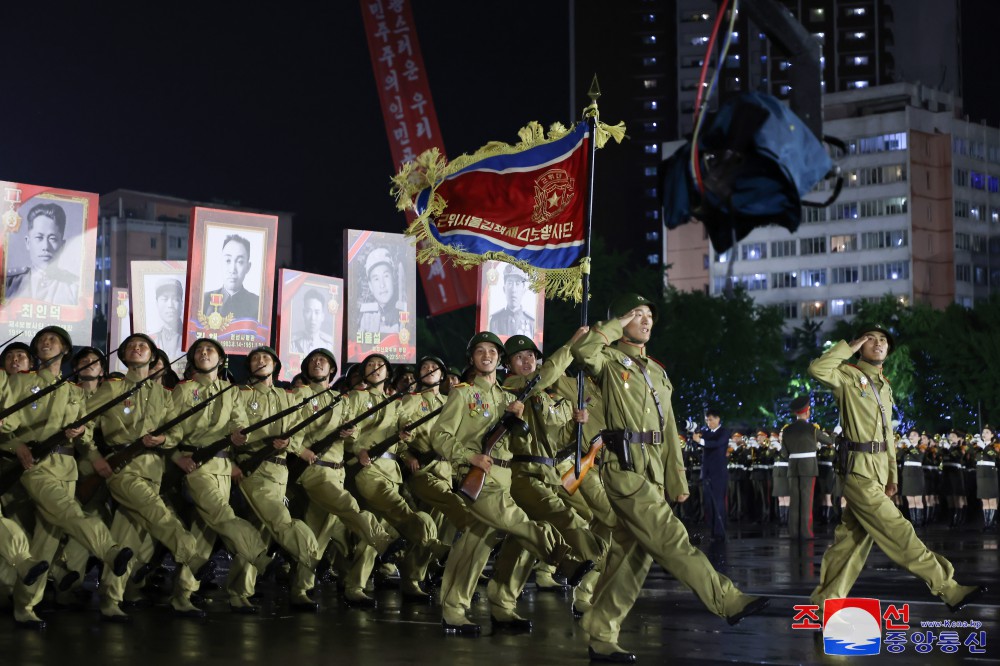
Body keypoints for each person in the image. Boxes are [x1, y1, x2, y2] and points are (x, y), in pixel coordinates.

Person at [573, 293, 768, 662]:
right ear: (620, 320)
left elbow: (668, 427)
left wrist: (676, 480)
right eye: (636, 314)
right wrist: (611, 326)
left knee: (632, 558)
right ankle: (726, 600)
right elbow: (583, 353)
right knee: (671, 538)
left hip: (654, 472)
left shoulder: (657, 372)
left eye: (649, 315)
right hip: (624, 469)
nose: (645, 320)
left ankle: (599, 633)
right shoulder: (610, 360)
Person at [807, 323, 986, 615]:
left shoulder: (885, 385)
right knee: (898, 530)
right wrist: (849, 346)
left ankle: (824, 604)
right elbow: (817, 369)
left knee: (851, 542)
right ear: (861, 345)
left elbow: (887, 434)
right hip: (857, 471)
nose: (878, 344)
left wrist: (892, 475)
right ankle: (948, 588)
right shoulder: (846, 375)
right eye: (871, 339)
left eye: (883, 341)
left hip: (877, 473)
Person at [434, 331, 594, 636]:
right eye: (480, 351)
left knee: (476, 545)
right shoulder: (464, 393)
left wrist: (521, 423)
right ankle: (563, 561)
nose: (486, 355)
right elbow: (439, 436)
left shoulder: (509, 398)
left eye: (491, 351)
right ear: (472, 359)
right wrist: (469, 457)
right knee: (520, 523)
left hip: (505, 479)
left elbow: (526, 444)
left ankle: (456, 608)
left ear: (497, 358)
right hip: (480, 481)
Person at [4, 326, 134, 629]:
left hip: (67, 468)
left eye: (54, 340)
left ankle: (25, 605)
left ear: (64, 350)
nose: (47, 343)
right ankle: (109, 550)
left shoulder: (74, 391)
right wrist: (16, 444)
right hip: (35, 466)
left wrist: (84, 441)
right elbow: (4, 423)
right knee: (68, 510)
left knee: (46, 542)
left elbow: (85, 437)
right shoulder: (21, 382)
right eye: (42, 341)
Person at [87, 333, 215, 622]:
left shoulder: (164, 395)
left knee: (128, 534)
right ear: (123, 356)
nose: (136, 348)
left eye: (142, 346)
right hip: (123, 468)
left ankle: (112, 597)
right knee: (158, 514)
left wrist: (167, 443)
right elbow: (83, 425)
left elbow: (174, 432)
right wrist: (95, 457)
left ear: (153, 357)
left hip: (154, 470)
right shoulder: (111, 388)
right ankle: (190, 556)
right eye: (131, 345)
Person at [163, 337, 278, 616]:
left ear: (221, 359)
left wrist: (241, 435)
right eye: (199, 350)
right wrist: (178, 457)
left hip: (223, 467)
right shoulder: (183, 390)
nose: (204, 353)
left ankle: (183, 595)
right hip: (196, 465)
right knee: (222, 514)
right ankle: (259, 555)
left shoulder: (231, 392)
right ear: (192, 360)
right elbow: (168, 430)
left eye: (210, 350)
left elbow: (238, 421)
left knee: (204, 533)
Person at [231, 346, 322, 612]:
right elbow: (235, 429)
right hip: (255, 469)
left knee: (259, 530)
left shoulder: (286, 396)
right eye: (256, 358)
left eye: (266, 358)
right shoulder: (240, 394)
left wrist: (291, 444)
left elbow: (297, 430)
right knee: (278, 519)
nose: (261, 361)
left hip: (281, 470)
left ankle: (240, 591)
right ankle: (312, 556)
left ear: (276, 365)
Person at [4, 202, 79, 305]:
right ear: (28, 243)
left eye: (52, 238)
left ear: (62, 246)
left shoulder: (75, 288)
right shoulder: (9, 284)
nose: (45, 247)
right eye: (39, 238)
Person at [782, 395, 832, 539]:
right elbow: (829, 440)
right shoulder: (812, 429)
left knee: (795, 501)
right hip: (808, 467)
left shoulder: (787, 430)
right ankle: (806, 532)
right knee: (806, 501)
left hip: (793, 467)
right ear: (807, 411)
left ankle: (794, 532)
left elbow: (784, 453)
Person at [201, 233, 260, 320]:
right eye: (228, 260)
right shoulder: (204, 300)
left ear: (248, 267)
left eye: (240, 262)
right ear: (220, 262)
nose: (232, 270)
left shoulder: (258, 304)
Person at [357, 247, 404, 336]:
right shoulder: (367, 317)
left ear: (393, 278)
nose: (382, 285)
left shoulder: (404, 313)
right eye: (376, 279)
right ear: (370, 286)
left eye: (386, 276)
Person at [699, 407, 730, 541]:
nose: (708, 423)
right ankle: (712, 531)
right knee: (708, 503)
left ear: (718, 419)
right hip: (707, 472)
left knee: (718, 502)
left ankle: (720, 532)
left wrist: (700, 440)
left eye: (711, 420)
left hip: (719, 472)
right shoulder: (705, 432)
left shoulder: (724, 432)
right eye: (707, 420)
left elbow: (716, 443)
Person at [488, 264, 535, 337]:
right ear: (504, 289)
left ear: (524, 290)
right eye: (510, 283)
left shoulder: (532, 322)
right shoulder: (495, 321)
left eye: (517, 283)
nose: (513, 290)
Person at [149, 278, 185, 362]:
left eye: (176, 299)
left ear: (182, 304)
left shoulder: (191, 338)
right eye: (165, 299)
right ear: (157, 303)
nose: (170, 305)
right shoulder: (151, 339)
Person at [291, 289, 334, 353]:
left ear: (322, 316)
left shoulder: (330, 345)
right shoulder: (292, 343)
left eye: (317, 312)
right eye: (308, 311)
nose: (312, 318)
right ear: (303, 314)